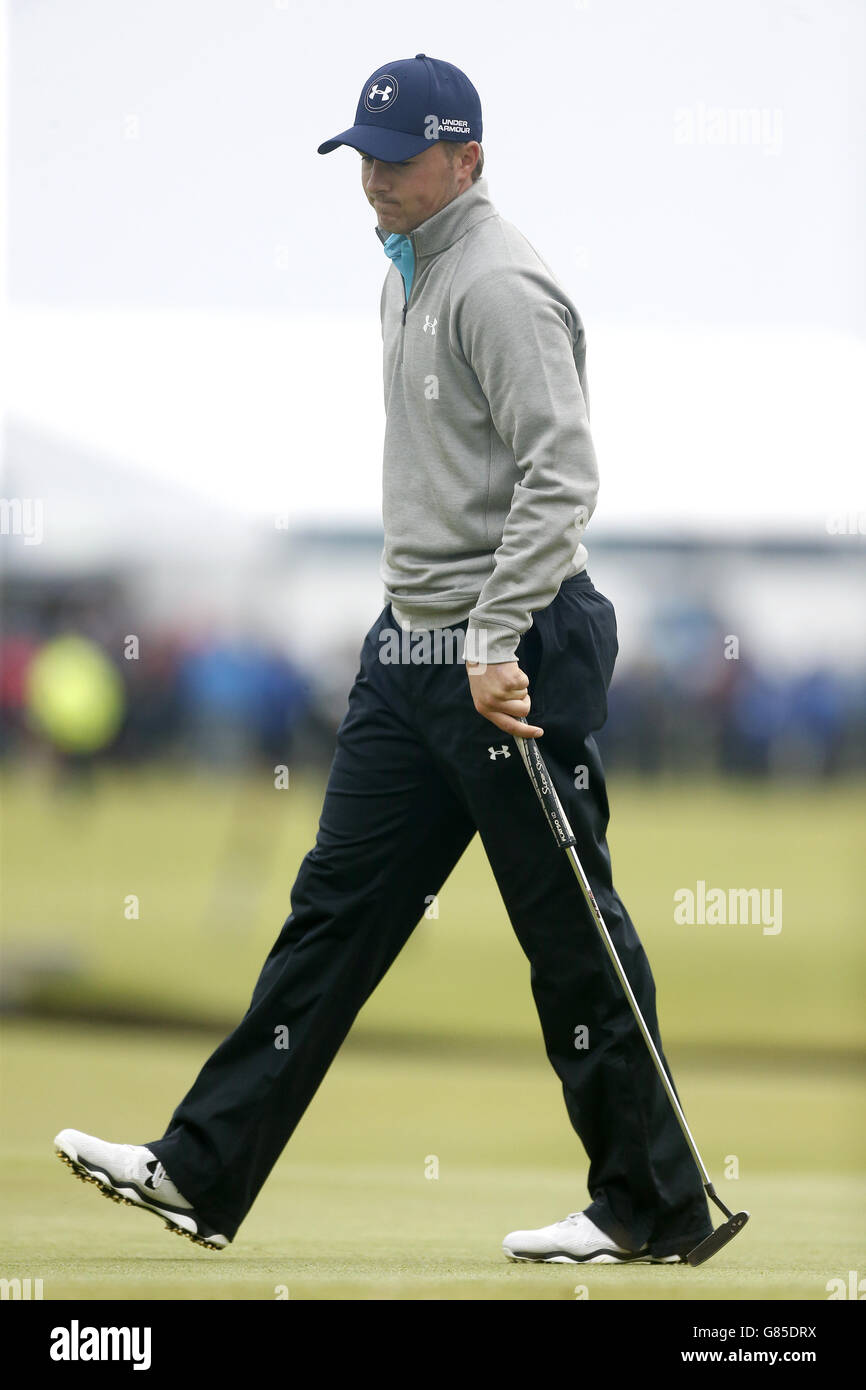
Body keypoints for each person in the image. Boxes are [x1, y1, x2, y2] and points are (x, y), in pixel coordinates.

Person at [55, 54, 713, 1265]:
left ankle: (655, 1205)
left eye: (399, 156)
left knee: (568, 936)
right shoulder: (405, 277)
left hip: (501, 652)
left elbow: (559, 476)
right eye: (363, 152)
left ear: (466, 160)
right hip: (407, 651)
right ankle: (200, 1171)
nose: (373, 176)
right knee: (331, 918)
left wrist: (495, 635)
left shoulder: (500, 286)